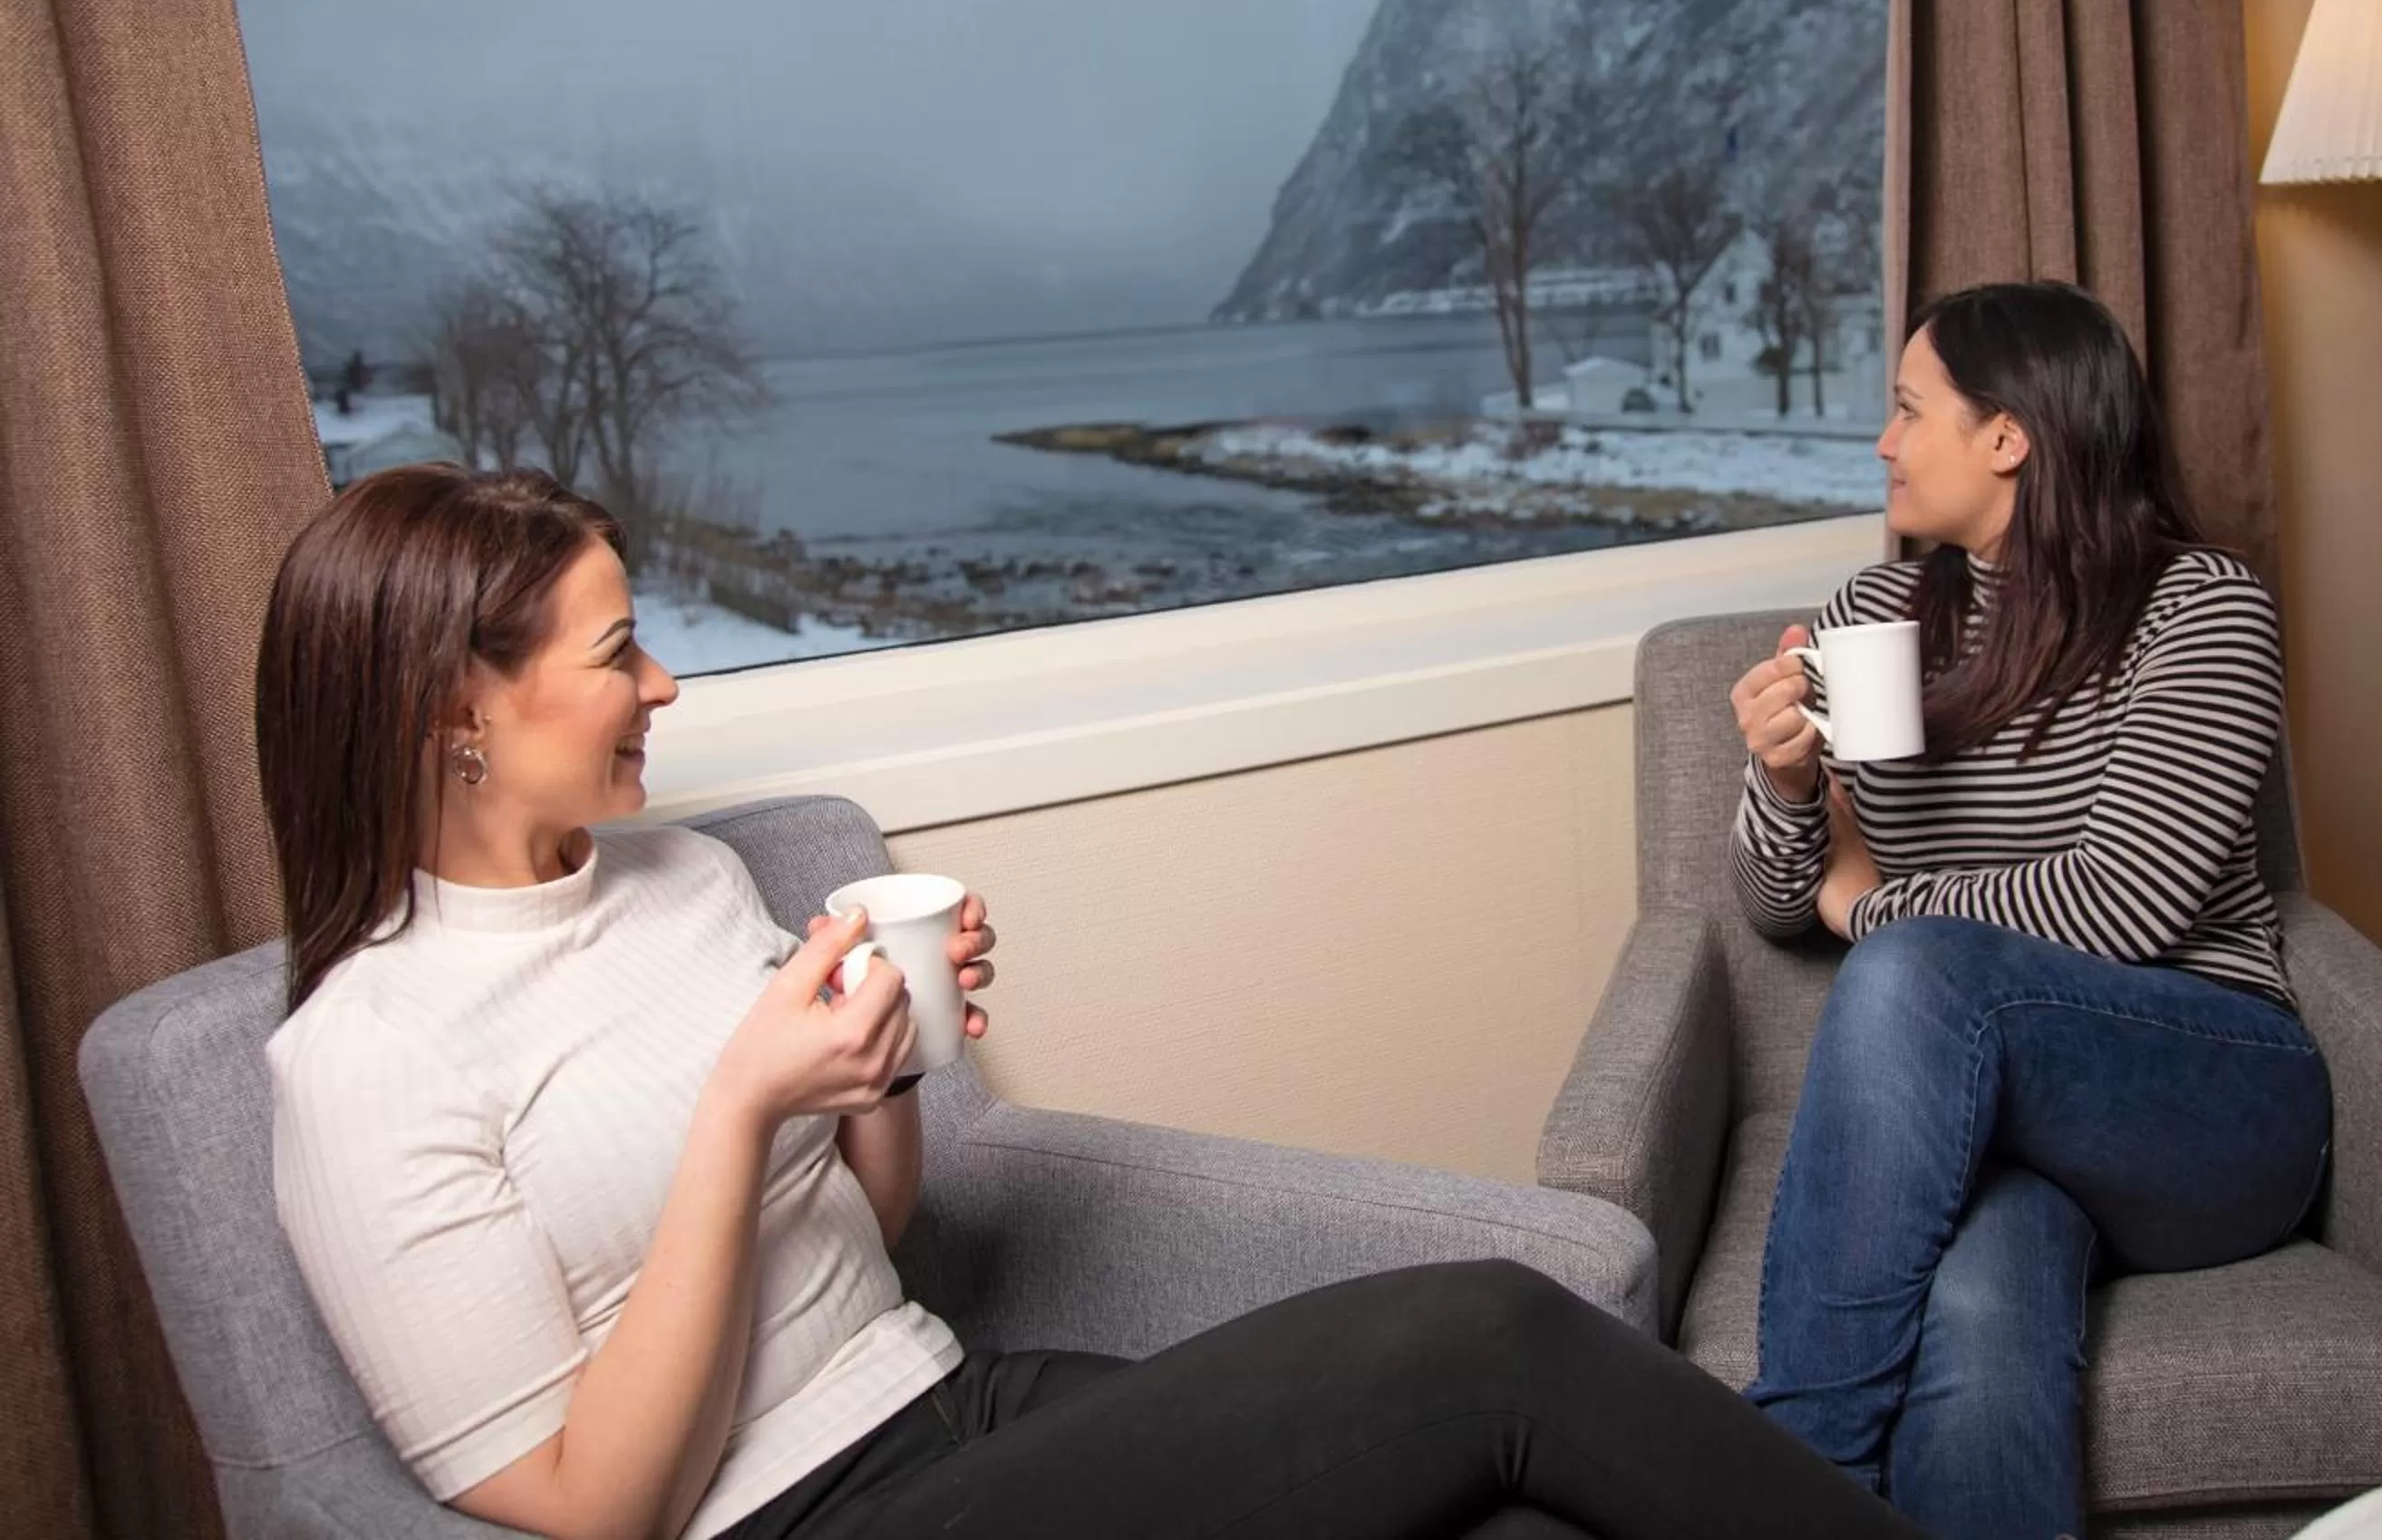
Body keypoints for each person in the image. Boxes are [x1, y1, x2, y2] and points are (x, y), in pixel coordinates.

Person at [259, 463, 1922, 1540]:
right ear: (455, 707)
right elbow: (595, 1502)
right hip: (785, 1520)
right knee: (1485, 1334)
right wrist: (741, 1106)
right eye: (618, 652)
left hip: (948, 1398)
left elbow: (878, 1239)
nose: (667, 683)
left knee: (1517, 1527)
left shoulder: (681, 884)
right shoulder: (364, 1059)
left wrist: (883, 1069)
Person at [1725, 282, 2331, 1540]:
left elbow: (2120, 907)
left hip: (2206, 1096)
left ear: (2008, 437)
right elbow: (1775, 901)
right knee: (1982, 1299)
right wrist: (1788, 789)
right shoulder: (1878, 620)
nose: (1883, 443)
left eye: (1907, 410)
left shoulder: (2201, 610)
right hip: (1994, 1134)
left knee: (1911, 971)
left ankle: (1784, 1478)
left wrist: (1876, 910)